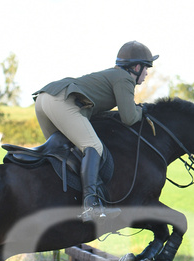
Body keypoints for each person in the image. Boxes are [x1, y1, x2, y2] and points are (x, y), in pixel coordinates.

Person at [33, 41, 158, 222]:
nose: (146, 73)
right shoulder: (124, 79)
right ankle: (91, 205)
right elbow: (129, 117)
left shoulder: (112, 75)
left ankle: (54, 200)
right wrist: (144, 110)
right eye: (146, 68)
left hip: (44, 99)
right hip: (60, 101)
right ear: (136, 67)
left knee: (63, 153)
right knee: (93, 147)